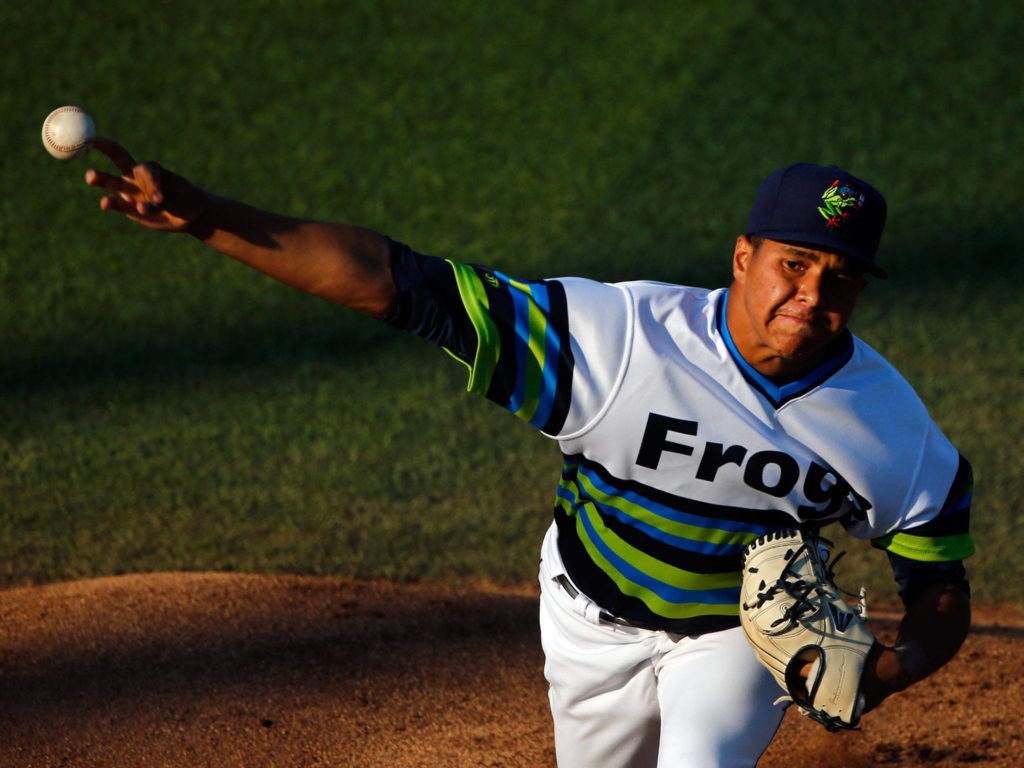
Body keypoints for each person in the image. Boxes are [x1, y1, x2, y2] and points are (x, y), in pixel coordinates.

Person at [84, 139, 973, 768]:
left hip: (735, 637)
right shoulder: (616, 340)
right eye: (793, 263)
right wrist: (206, 217)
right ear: (742, 258)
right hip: (588, 616)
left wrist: (892, 671)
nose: (814, 294)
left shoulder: (889, 427)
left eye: (841, 276)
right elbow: (394, 282)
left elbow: (939, 582)